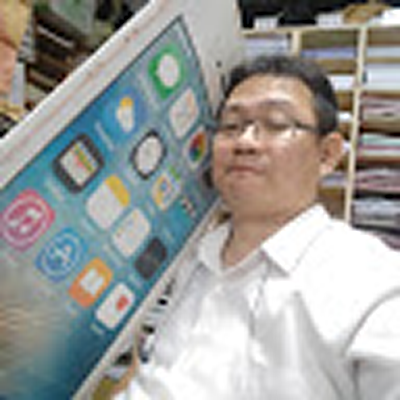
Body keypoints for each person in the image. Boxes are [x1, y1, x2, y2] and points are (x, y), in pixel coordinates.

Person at [113, 55, 400, 400]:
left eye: (276, 124)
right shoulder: (193, 260)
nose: (245, 142)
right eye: (230, 126)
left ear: (327, 154)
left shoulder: (374, 281)